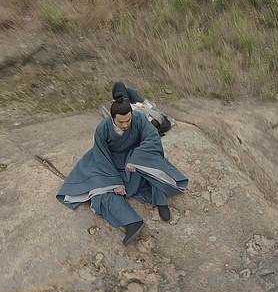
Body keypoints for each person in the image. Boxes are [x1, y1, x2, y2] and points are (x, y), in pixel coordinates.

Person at [57, 92, 188, 245]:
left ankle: (160, 200)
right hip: (110, 162)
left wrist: (136, 159)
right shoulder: (102, 129)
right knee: (99, 193)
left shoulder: (139, 119)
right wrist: (115, 183)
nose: (125, 125)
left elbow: (152, 138)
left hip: (134, 157)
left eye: (128, 120)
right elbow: (101, 156)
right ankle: (132, 222)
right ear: (112, 118)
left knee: (154, 170)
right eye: (121, 122)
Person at [109, 81, 173, 136]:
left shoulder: (142, 123)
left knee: (119, 85)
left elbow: (131, 115)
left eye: (151, 119)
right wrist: (148, 106)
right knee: (129, 90)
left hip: (129, 107)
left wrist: (135, 107)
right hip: (142, 104)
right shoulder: (162, 120)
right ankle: (116, 98)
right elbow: (156, 110)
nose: (151, 118)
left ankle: (117, 101)